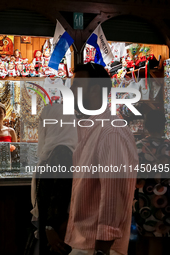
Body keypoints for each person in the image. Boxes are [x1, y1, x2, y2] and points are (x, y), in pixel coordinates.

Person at [65, 63, 138, 255]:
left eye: (77, 86)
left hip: (98, 247)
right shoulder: (92, 127)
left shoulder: (110, 131)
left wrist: (102, 248)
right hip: (85, 243)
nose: (71, 90)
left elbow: (114, 191)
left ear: (95, 90)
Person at [28, 103, 77, 255]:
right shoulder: (57, 152)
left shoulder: (61, 152)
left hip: (57, 233)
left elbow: (60, 193)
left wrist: (50, 226)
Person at [133, 110, 170, 255]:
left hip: (142, 199)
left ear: (146, 125)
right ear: (164, 125)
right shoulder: (168, 147)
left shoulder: (136, 148)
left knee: (140, 239)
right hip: (164, 201)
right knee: (157, 239)